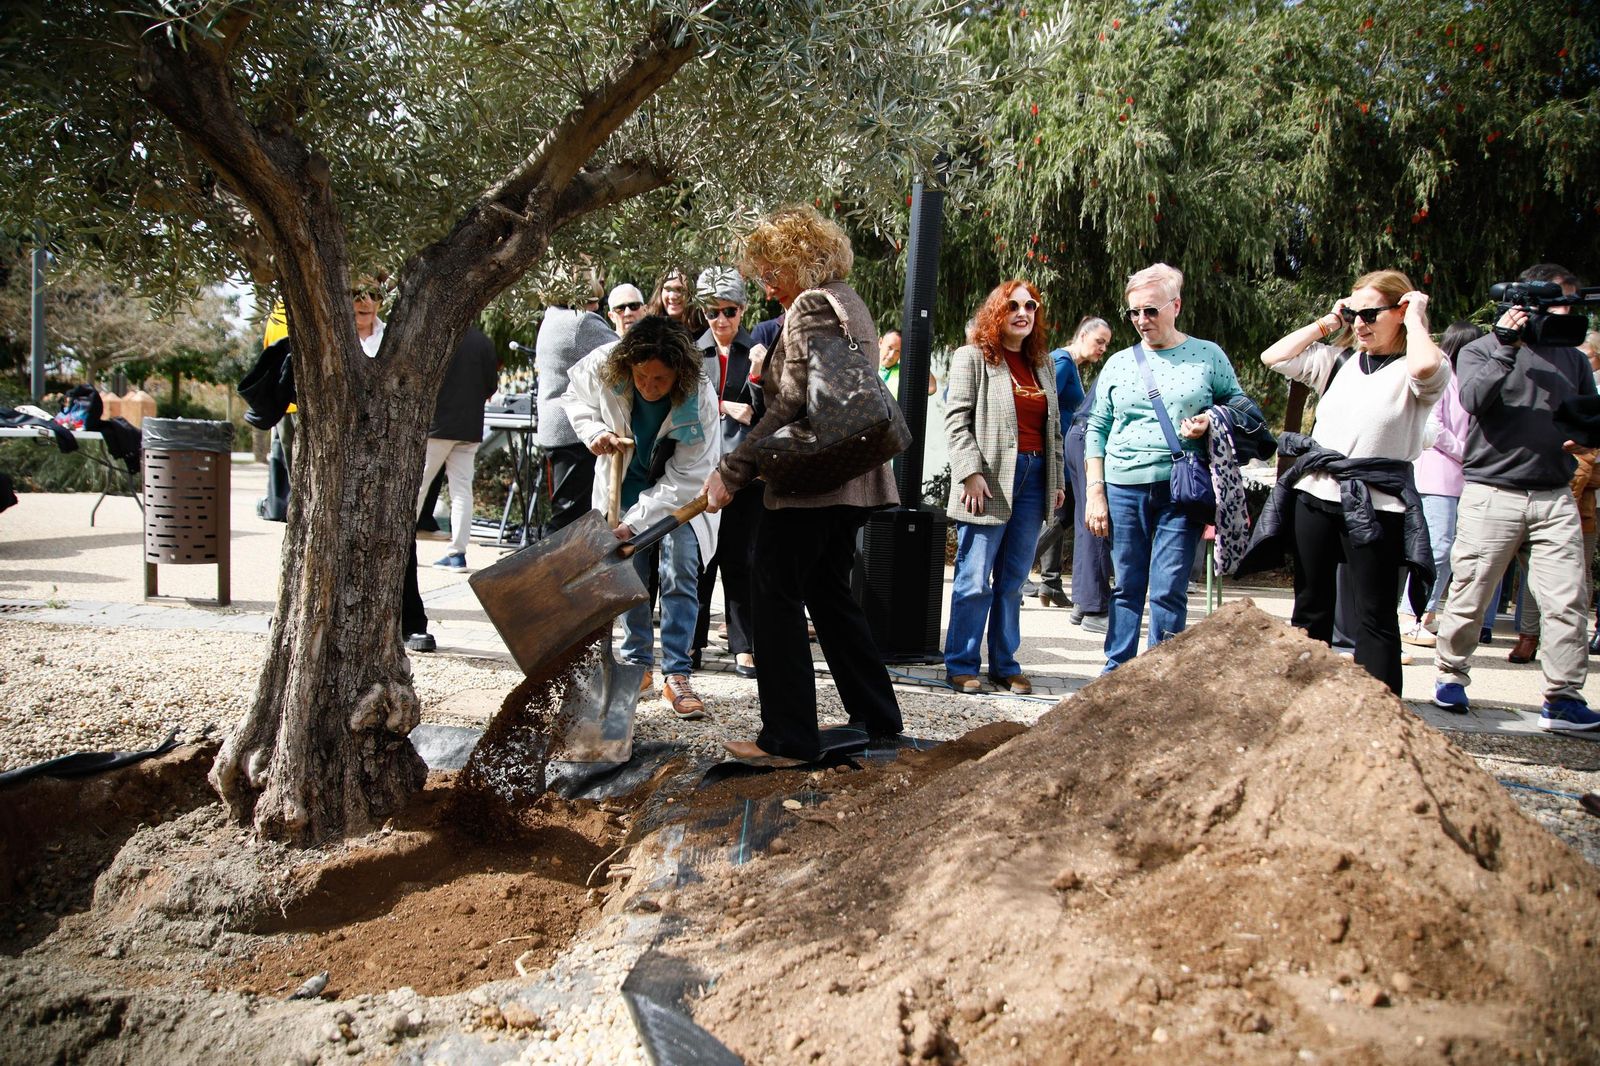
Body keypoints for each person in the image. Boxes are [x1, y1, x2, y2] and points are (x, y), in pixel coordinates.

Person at [703, 204, 903, 766]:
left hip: (816, 481)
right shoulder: (850, 301)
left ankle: (788, 738)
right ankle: (878, 718)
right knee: (829, 594)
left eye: (770, 268)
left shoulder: (811, 305)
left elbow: (791, 403)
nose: (765, 283)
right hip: (857, 479)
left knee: (773, 591)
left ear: (798, 259)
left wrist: (733, 469)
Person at [1252, 269, 1447, 694]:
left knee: (1374, 616)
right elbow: (1275, 356)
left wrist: (1416, 317)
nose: (1361, 323)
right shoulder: (1338, 361)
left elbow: (1427, 366)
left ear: (1399, 311)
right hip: (1317, 492)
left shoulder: (1417, 367)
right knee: (1310, 607)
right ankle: (1302, 705)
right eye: (1354, 312)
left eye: (1372, 313)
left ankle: (1379, 716)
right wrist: (1329, 322)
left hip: (1378, 503)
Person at [1432, 263, 1599, 733]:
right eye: (1560, 302)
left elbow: (1586, 418)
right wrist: (1507, 346)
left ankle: (1563, 699)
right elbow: (1472, 399)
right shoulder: (1482, 349)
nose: (1569, 312)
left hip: (1555, 494)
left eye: (1572, 303)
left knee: (1567, 600)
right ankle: (1450, 677)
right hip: (1492, 492)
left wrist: (1587, 440)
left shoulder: (1575, 359)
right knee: (1470, 594)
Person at [1085, 263, 1245, 671]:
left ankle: (1161, 673)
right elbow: (1097, 427)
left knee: (1169, 586)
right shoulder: (1120, 362)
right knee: (1126, 585)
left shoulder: (1208, 355)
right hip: (1123, 485)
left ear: (1176, 306)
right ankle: (1116, 670)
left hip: (1181, 485)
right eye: (1133, 312)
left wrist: (1213, 419)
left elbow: (1241, 407)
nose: (1141, 320)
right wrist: (1095, 490)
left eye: (1151, 311)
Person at [563, 315, 720, 719]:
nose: (649, 387)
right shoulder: (605, 363)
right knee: (629, 571)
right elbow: (574, 398)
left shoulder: (698, 394)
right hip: (623, 483)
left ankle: (677, 673)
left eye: (660, 380)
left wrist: (634, 524)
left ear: (678, 375)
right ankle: (635, 667)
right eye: (641, 377)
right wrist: (594, 430)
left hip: (678, 495)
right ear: (627, 365)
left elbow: (688, 477)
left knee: (680, 569)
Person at [942, 280, 1065, 694]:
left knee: (1012, 581)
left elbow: (1055, 430)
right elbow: (955, 420)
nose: (1023, 312)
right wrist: (969, 472)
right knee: (975, 578)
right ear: (997, 312)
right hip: (989, 480)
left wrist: (1057, 480)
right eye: (1013, 305)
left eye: (1031, 306)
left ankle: (1005, 664)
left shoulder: (1043, 363)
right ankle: (961, 663)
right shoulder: (972, 358)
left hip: (1034, 480)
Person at [691, 266, 760, 678]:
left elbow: (767, 410)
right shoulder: (691, 352)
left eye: (729, 311)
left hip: (741, 471)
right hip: (698, 469)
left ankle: (744, 645)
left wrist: (754, 376)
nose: (720, 320)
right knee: (700, 561)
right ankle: (693, 643)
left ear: (743, 310)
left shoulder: (758, 349)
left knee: (740, 560)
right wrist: (723, 407)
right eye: (712, 312)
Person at [1401, 322, 1480, 648]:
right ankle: (1410, 614)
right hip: (1437, 476)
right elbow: (1435, 428)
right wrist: (1468, 453)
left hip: (1463, 478)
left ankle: (1427, 614)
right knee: (1437, 549)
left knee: (1450, 553)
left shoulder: (1470, 381)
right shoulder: (1444, 377)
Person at [1033, 316, 1112, 610]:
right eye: (1099, 341)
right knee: (1066, 516)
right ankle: (1012, 568)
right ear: (1081, 336)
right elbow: (1043, 406)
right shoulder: (1063, 362)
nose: (1102, 348)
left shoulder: (1073, 367)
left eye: (1106, 344)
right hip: (1061, 454)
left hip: (1068, 454)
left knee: (1060, 515)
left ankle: (1050, 583)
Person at [534, 304, 619, 534]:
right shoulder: (581, 322)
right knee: (571, 522)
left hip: (556, 429)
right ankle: (549, 569)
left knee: (567, 516)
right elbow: (625, 356)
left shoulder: (552, 316)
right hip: (574, 431)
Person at [419, 326, 498, 569]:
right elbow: (491, 386)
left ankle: (396, 547)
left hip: (437, 426)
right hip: (469, 427)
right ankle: (457, 553)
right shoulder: (483, 341)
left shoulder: (435, 335)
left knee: (416, 487)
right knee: (462, 491)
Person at [646, 268, 708, 338]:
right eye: (668, 289)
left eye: (680, 290)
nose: (672, 296)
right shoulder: (648, 331)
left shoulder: (708, 332)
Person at [878, 330, 937, 397]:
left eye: (898, 351)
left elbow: (931, 388)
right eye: (890, 348)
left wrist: (919, 355)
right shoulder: (867, 366)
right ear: (880, 342)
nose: (892, 355)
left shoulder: (905, 372)